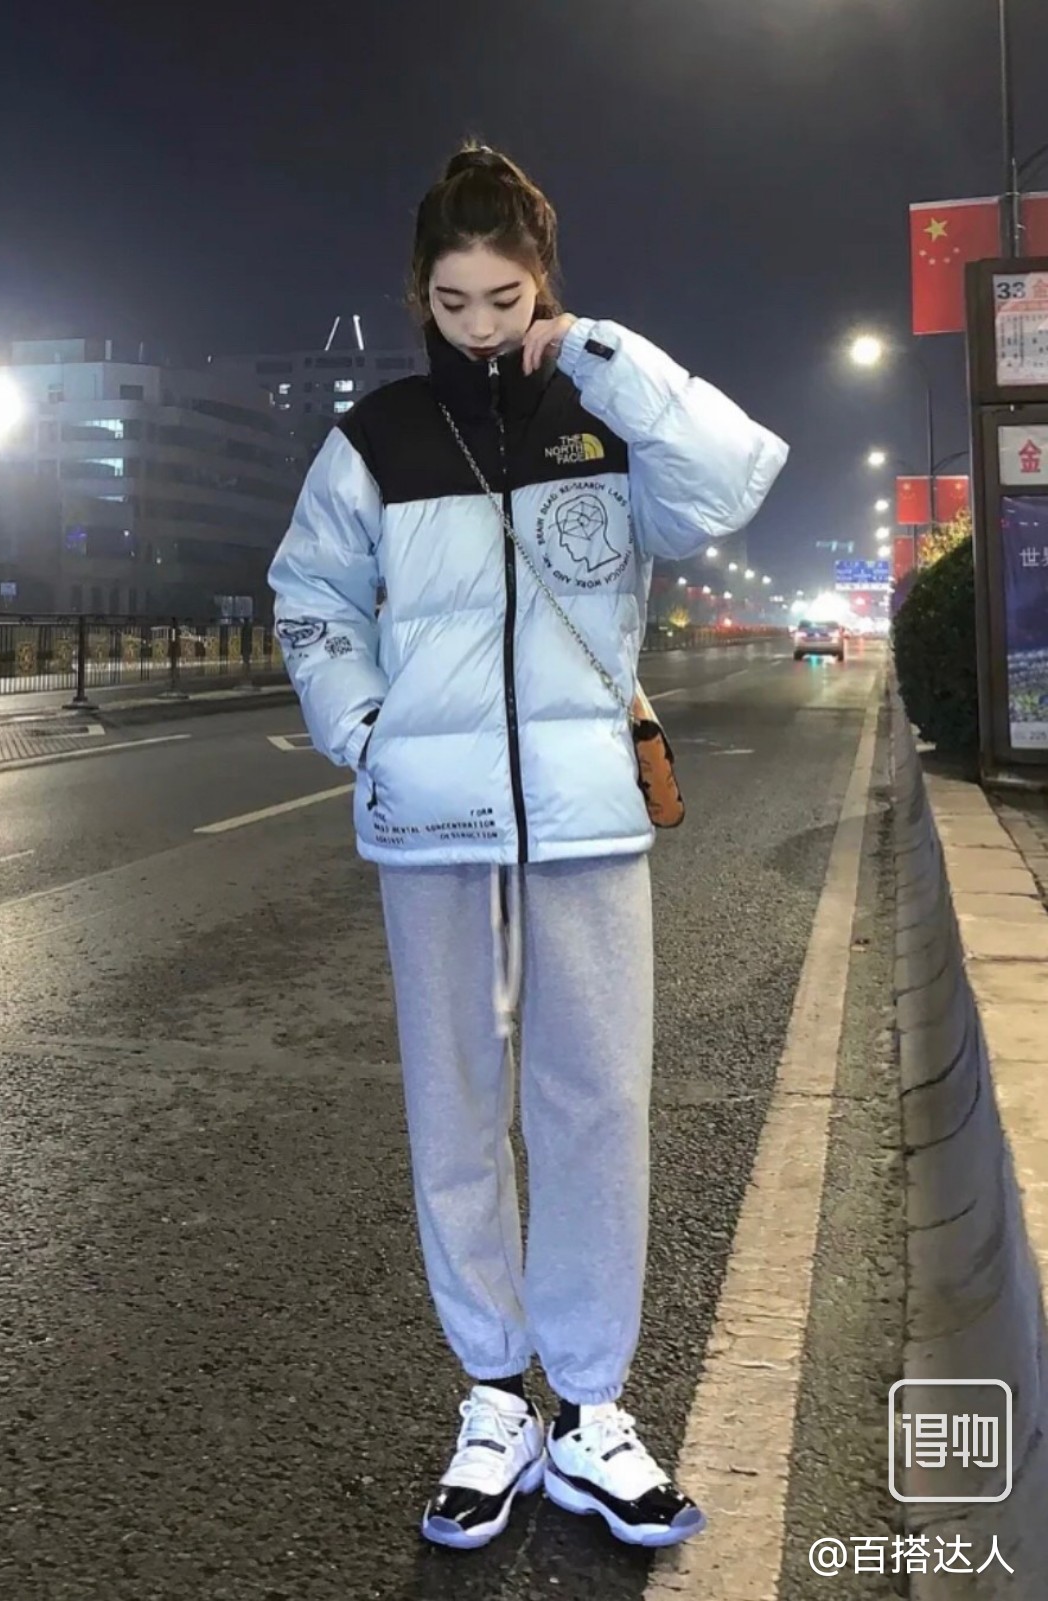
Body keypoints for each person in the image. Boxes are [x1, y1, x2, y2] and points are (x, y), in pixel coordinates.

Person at [268, 142, 788, 1553]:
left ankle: (593, 1409)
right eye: (454, 301)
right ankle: (495, 1396)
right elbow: (310, 593)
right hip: (429, 826)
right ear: (420, 295)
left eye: (506, 298)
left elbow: (732, 479)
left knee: (595, 1102)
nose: (481, 326)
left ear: (544, 285)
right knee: (454, 1107)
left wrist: (603, 354)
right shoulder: (377, 438)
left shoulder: (605, 415)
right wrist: (363, 728)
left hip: (585, 820)